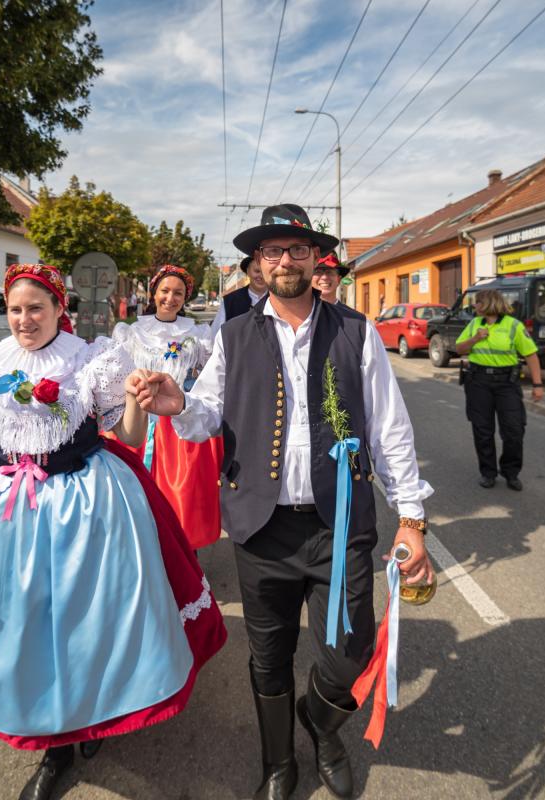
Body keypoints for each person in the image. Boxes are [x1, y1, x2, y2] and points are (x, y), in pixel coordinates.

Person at [0, 263, 226, 800]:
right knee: (20, 626)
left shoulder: (92, 359)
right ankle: (46, 729)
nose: (24, 319)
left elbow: (129, 437)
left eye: (36, 308)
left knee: (79, 625)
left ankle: (75, 726)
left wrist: (136, 398)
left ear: (60, 308)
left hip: (78, 508)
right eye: (16, 309)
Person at [135, 203, 434, 800]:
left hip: (338, 524)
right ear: (258, 263)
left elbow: (389, 429)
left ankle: (320, 724)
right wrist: (178, 406)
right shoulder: (233, 335)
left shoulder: (354, 331)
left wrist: (411, 518)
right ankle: (277, 762)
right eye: (273, 251)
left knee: (349, 654)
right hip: (261, 527)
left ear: (316, 259)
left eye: (298, 249)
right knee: (270, 655)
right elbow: (208, 412)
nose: (285, 260)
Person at [111, 265, 223, 550]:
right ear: (154, 293)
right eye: (165, 291)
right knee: (136, 496)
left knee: (181, 498)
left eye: (178, 293)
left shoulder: (197, 333)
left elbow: (208, 376)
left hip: (177, 424)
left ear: (185, 297)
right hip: (137, 421)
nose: (170, 298)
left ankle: (182, 556)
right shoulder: (131, 332)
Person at [454, 287, 544, 491]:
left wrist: (537, 384)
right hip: (478, 382)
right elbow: (459, 348)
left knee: (514, 430)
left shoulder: (513, 325)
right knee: (482, 430)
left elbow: (531, 355)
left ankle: (511, 472)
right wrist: (475, 339)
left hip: (507, 384)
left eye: (477, 302)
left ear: (488, 303)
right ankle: (488, 473)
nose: (474, 305)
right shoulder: (474, 324)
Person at [210, 254, 268, 337]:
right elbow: (215, 335)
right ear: (248, 272)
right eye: (257, 271)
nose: (261, 276)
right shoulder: (230, 301)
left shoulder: (280, 300)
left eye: (265, 271)